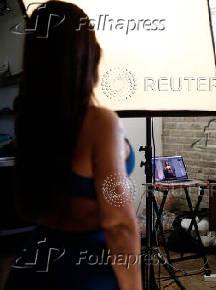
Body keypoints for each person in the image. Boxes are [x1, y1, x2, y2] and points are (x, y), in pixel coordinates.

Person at [5, 2, 141, 290]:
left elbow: (29, 205)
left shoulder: (28, 121)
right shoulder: (101, 123)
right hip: (85, 274)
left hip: (31, 268)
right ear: (86, 53)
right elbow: (119, 224)